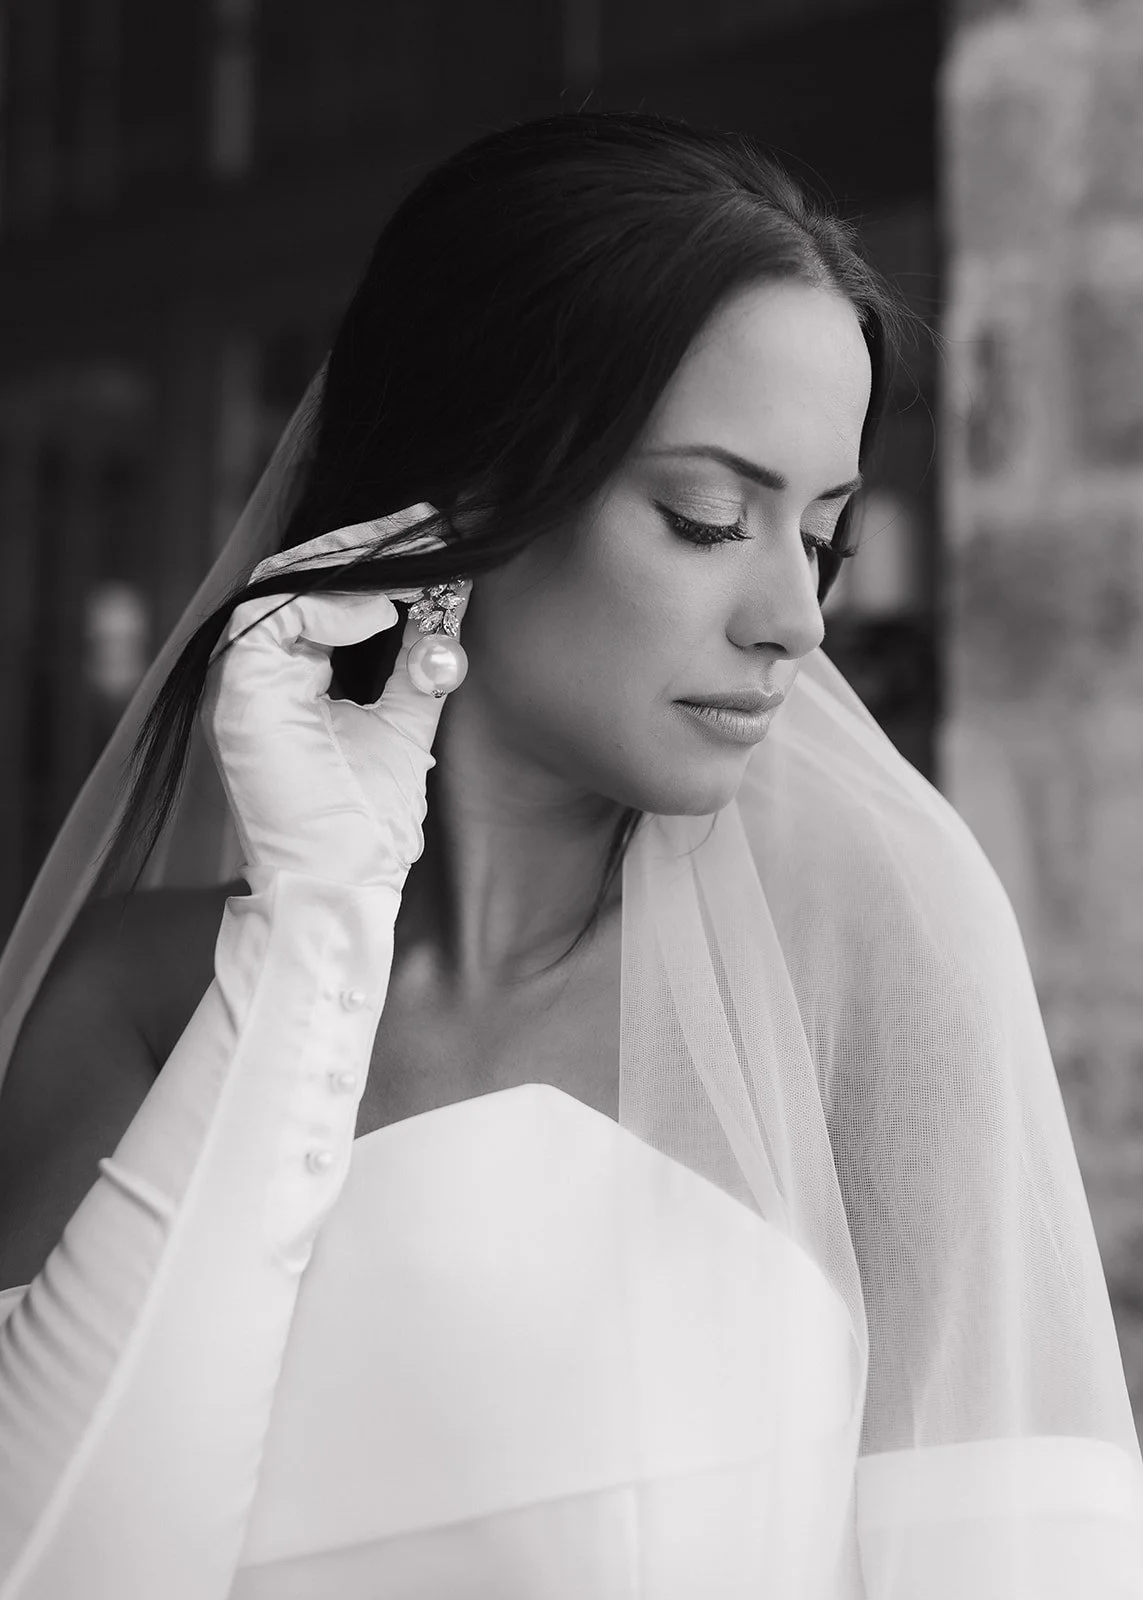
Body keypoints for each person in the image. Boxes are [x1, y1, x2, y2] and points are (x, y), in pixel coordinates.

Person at [0, 108, 1140, 1600]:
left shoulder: (864, 995)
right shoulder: (145, 999)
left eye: (823, 539)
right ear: (460, 492)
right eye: (705, 515)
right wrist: (314, 931)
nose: (793, 620)